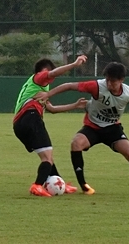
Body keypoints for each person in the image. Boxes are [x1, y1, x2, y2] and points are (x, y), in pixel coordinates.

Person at [36, 62, 129, 196]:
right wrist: (48, 94)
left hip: (113, 129)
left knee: (128, 151)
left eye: (113, 81)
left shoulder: (128, 93)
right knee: (76, 143)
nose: (109, 84)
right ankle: (84, 185)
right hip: (92, 128)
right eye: (107, 80)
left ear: (121, 80)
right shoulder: (97, 86)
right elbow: (69, 86)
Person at [13, 54, 88, 197]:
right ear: (42, 71)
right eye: (48, 72)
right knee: (47, 158)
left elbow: (52, 109)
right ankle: (37, 186)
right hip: (30, 117)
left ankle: (60, 184)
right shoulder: (38, 78)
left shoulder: (37, 88)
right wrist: (74, 64)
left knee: (48, 157)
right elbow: (53, 73)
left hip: (19, 124)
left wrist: (75, 105)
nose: (50, 76)